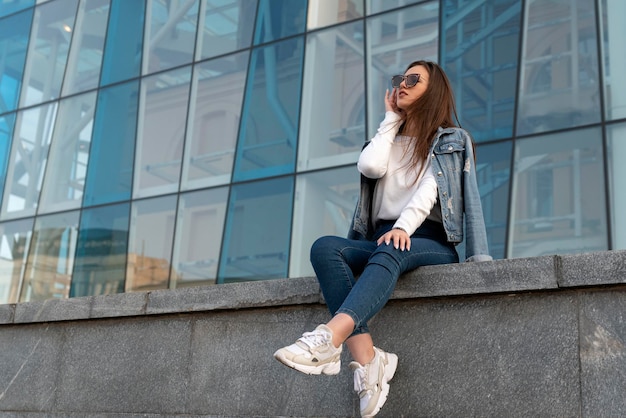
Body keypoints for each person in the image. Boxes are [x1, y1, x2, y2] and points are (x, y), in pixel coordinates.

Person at [274, 60, 492, 417]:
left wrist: (404, 228)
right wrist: (390, 120)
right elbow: (371, 167)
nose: (401, 85)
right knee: (326, 248)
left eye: (412, 80)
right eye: (398, 80)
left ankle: (329, 338)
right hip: (382, 238)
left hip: (431, 240)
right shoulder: (384, 139)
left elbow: (429, 193)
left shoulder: (452, 140)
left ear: (432, 90)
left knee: (390, 245)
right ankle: (370, 360)